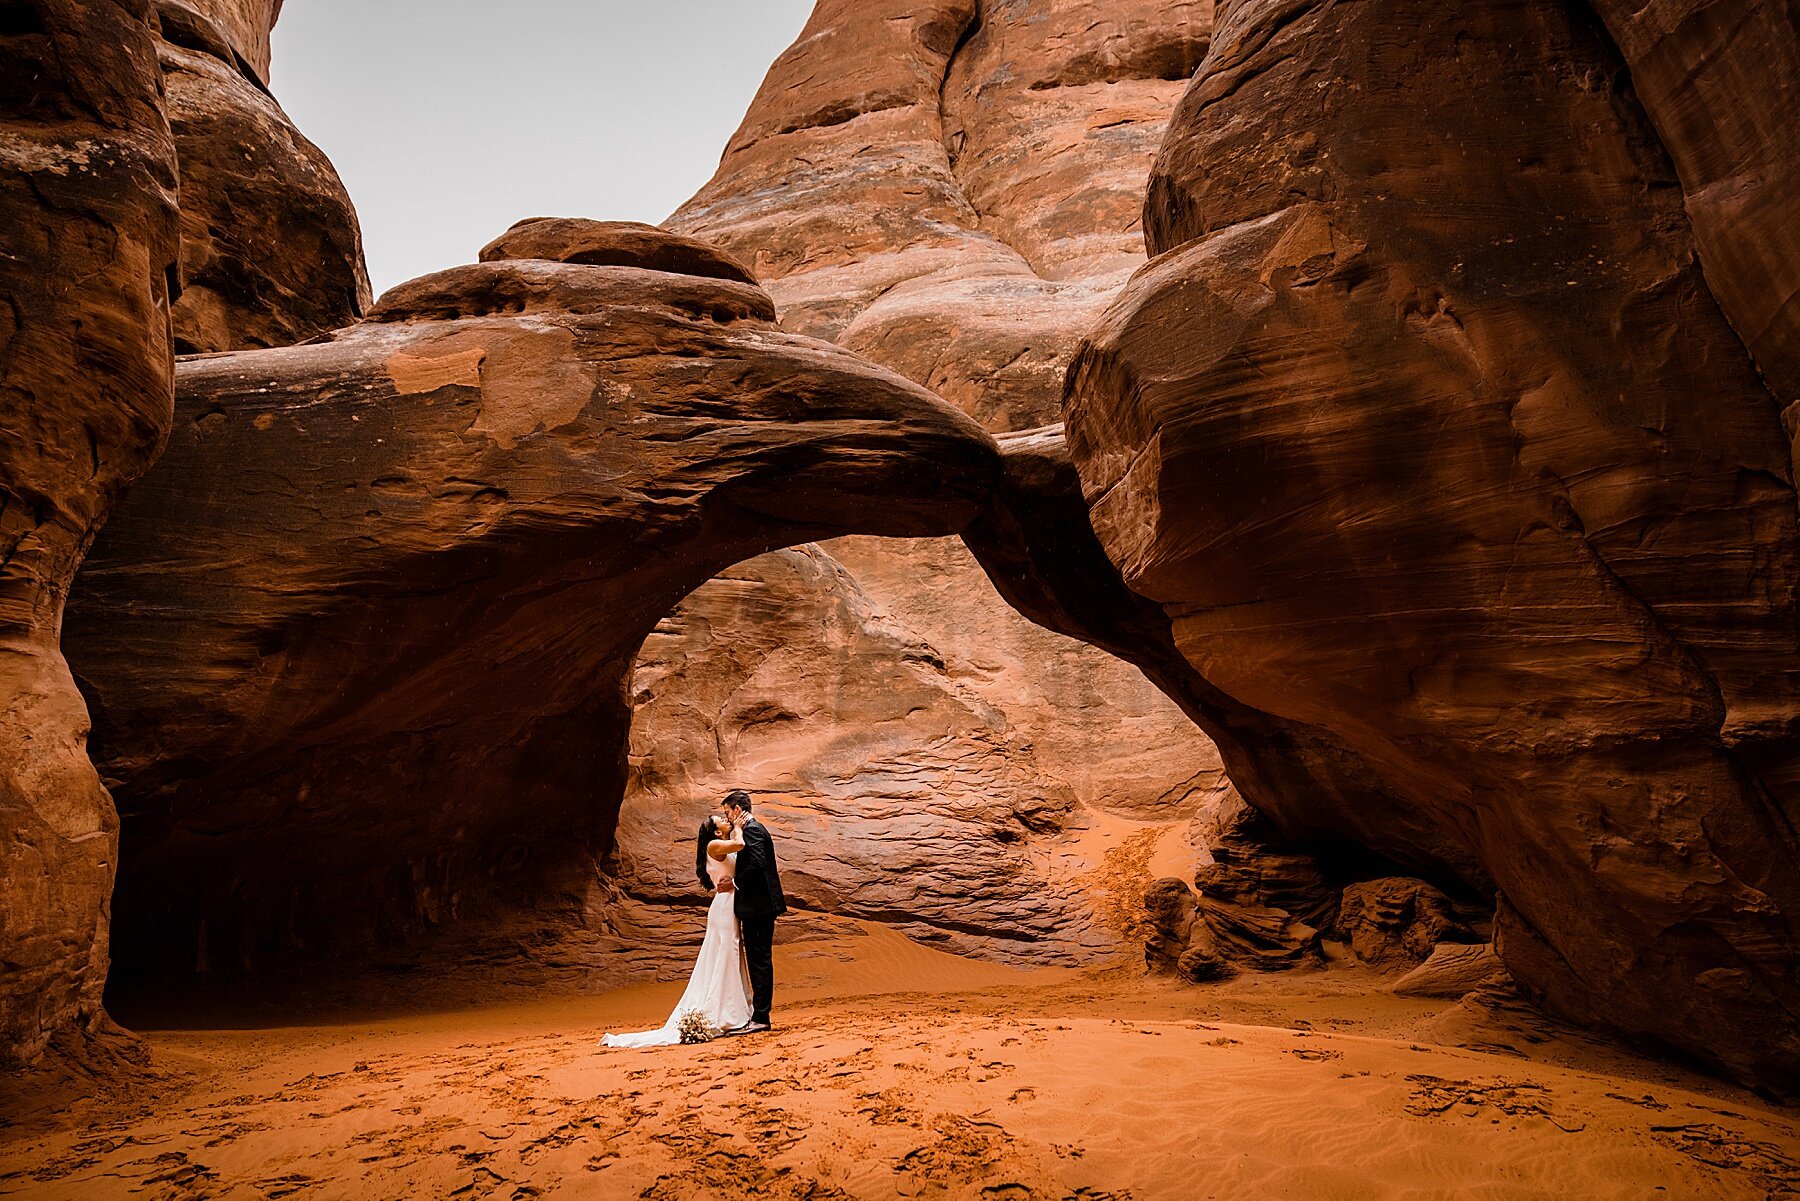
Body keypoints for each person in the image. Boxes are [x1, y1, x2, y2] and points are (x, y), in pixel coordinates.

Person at [599, 811, 753, 1047]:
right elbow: (740, 844)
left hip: (728, 903)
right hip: (724, 906)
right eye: (720, 821)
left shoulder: (719, 844)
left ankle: (734, 1006)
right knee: (726, 953)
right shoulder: (714, 845)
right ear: (715, 831)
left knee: (728, 953)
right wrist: (739, 826)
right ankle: (729, 1012)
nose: (725, 820)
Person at [721, 789, 785, 1033]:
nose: (726, 817)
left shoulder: (754, 830)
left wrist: (734, 883)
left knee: (760, 961)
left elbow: (757, 864)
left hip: (759, 908)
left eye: (727, 812)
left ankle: (760, 1017)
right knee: (758, 960)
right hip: (756, 907)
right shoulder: (747, 831)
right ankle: (758, 1015)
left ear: (737, 809)